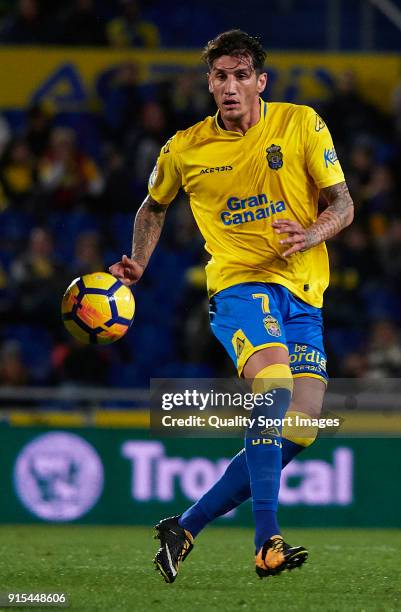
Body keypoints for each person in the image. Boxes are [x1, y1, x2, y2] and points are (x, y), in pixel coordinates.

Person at [109, 30, 354, 582]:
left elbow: (343, 203)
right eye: (220, 76)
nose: (229, 86)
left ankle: (185, 526)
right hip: (240, 287)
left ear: (260, 82)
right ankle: (267, 538)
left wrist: (313, 233)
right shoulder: (184, 147)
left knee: (302, 428)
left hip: (304, 293)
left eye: (241, 75)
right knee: (274, 390)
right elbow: (153, 207)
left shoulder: (301, 123)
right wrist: (140, 262)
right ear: (209, 83)